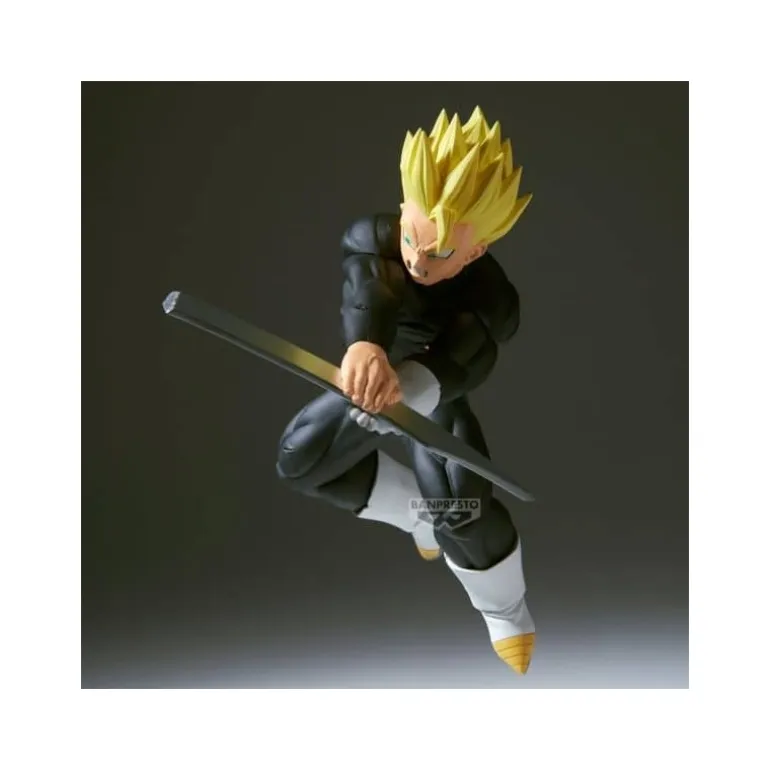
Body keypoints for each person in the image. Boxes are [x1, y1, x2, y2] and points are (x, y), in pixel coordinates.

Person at [276, 107, 536, 674]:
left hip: (435, 385)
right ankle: (417, 518)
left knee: (461, 509)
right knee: (300, 457)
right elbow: (369, 286)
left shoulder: (492, 298)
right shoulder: (375, 240)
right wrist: (364, 345)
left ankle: (505, 608)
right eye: (412, 237)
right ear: (402, 210)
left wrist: (416, 386)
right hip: (373, 377)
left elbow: (472, 353)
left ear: (477, 250)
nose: (417, 259)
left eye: (438, 252)